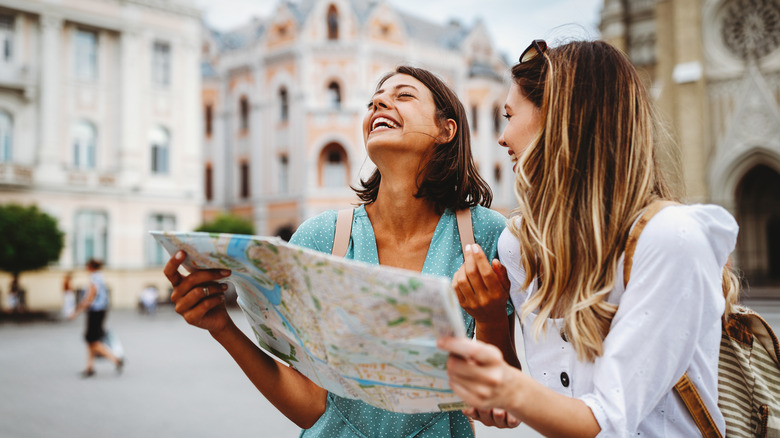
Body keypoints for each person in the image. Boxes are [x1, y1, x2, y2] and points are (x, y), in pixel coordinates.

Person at [163, 65, 515, 437]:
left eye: (403, 95)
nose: (378, 102)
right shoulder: (320, 237)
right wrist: (223, 328)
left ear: (447, 130)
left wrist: (491, 317)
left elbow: (504, 403)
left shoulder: (483, 234)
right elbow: (311, 406)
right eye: (374, 100)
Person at [438, 40, 741, 437]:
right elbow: (513, 405)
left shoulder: (669, 238)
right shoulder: (518, 244)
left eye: (509, 116)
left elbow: (607, 422)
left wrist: (504, 386)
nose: (502, 137)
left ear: (562, 120)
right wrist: (490, 318)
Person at [70, 258, 124, 377]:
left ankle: (116, 359)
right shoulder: (100, 276)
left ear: (90, 267)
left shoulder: (94, 278)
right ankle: (89, 367)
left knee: (93, 340)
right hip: (100, 311)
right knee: (90, 340)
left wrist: (76, 311)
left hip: (95, 312)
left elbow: (89, 297)